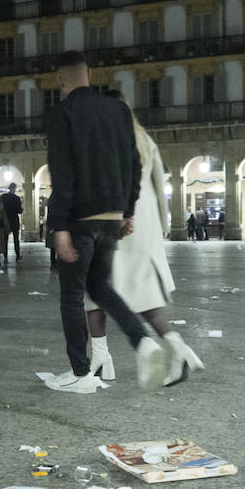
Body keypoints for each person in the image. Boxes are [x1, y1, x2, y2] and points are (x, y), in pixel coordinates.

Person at [45, 51, 166, 394]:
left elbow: (63, 173)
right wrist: (126, 211)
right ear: (89, 73)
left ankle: (81, 373)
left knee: (71, 295)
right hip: (112, 217)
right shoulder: (118, 110)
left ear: (60, 79)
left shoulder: (61, 113)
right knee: (100, 287)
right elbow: (134, 165)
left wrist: (60, 227)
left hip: (80, 218)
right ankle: (142, 340)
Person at [84, 110, 202, 388]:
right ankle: (180, 349)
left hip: (117, 219)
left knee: (94, 290)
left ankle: (101, 359)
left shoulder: (108, 140)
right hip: (144, 224)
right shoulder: (145, 140)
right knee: (144, 298)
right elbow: (161, 188)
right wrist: (161, 227)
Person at [1, 182, 24, 261]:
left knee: (5, 240)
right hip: (14, 220)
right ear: (14, 189)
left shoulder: (2, 197)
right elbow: (19, 211)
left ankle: (5, 256)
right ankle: (17, 255)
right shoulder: (16, 198)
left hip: (5, 220)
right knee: (16, 239)